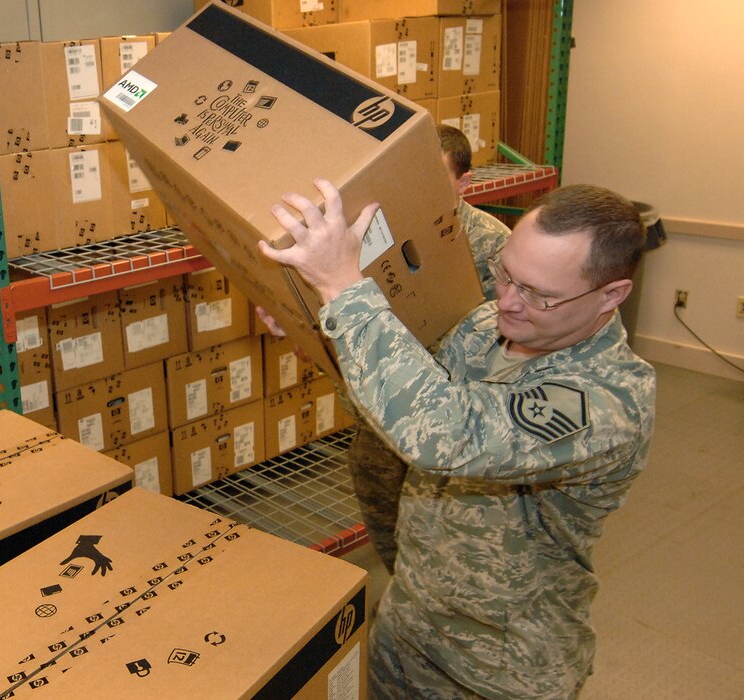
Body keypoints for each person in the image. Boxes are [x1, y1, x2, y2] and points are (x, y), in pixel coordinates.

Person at [259, 180, 656, 698]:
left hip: (499, 668)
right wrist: (315, 331)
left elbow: (445, 434)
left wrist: (343, 290)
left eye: (540, 294)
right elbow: (395, 414)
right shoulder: (484, 328)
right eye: (506, 275)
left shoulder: (607, 400)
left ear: (612, 294)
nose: (508, 303)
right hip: (408, 626)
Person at [347, 125, 511, 575]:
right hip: (384, 411)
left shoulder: (495, 246)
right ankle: (403, 586)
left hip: (451, 416)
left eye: (435, 179)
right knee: (380, 509)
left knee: (442, 535)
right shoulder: (376, 240)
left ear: (464, 183)